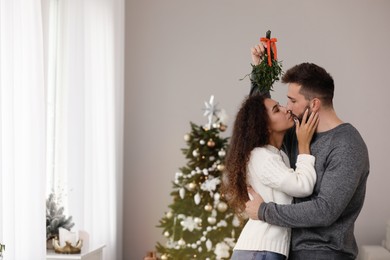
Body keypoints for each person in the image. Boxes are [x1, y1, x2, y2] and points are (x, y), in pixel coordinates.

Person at [245, 43, 370, 260]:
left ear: (313, 104)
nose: (287, 107)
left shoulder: (347, 144)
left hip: (324, 253)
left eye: (292, 101)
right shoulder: (297, 134)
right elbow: (265, 116)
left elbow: (325, 210)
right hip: (288, 251)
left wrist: (264, 211)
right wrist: (260, 70)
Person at [222, 94, 319, 260]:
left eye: (280, 105)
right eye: (277, 110)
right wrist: (304, 147)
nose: (286, 109)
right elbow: (303, 186)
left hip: (264, 250)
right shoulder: (262, 157)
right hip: (260, 251)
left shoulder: (278, 155)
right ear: (264, 125)